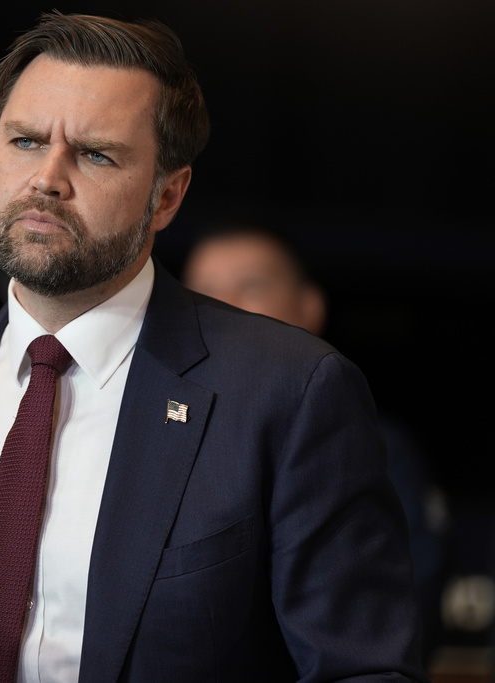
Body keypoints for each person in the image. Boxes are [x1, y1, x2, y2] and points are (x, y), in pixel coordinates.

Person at [0, 11, 427, 682]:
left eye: (96, 153)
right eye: (26, 140)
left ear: (167, 196)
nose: (47, 177)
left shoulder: (289, 392)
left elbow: (362, 672)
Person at [181, 223, 452, 663]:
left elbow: (396, 614)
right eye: (202, 291)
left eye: (251, 286)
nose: (222, 307)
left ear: (310, 307)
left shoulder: (371, 441)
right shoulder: (157, 431)